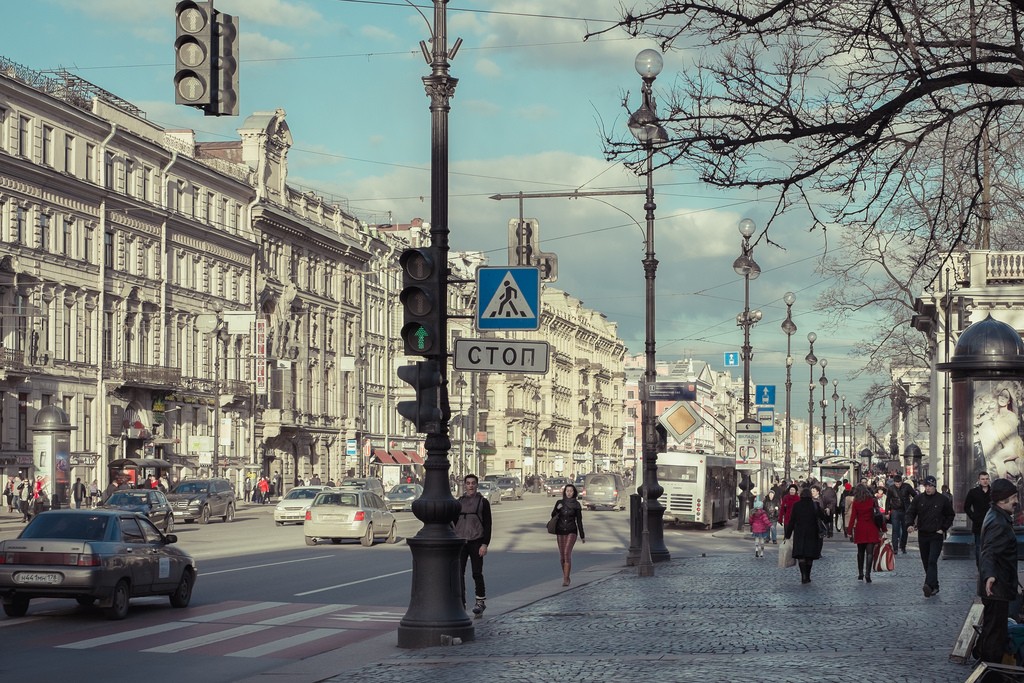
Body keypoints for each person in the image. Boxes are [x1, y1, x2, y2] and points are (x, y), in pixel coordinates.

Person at [976, 478, 1019, 664]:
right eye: (1013, 498)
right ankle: (990, 674)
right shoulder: (998, 522)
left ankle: (987, 667)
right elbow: (989, 552)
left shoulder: (996, 514)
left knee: (992, 632)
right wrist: (990, 576)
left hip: (997, 587)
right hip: (996, 588)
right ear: (1002, 500)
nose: (1016, 501)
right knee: (995, 636)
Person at [906, 475, 955, 597]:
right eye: (926, 486)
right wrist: (909, 524)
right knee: (925, 561)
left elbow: (950, 515)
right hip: (923, 534)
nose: (928, 489)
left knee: (932, 560)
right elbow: (911, 512)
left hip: (936, 535)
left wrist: (943, 528)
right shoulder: (918, 499)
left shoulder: (942, 500)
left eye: (930, 486)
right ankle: (935, 586)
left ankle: (928, 585)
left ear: (934, 487)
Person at [455, 474, 492, 617]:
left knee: (476, 573)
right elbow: (453, 521)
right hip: (462, 542)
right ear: (465, 485)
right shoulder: (459, 502)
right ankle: (461, 603)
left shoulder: (483, 502)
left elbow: (488, 524)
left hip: (477, 541)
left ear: (477, 485)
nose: (470, 485)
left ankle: (480, 602)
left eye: (473, 483)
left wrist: (485, 544)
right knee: (459, 573)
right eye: (468, 483)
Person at [977, 385, 1024, 480]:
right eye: (1001, 395)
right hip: (1006, 448)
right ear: (998, 397)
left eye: (1006, 397)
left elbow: (1010, 433)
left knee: (996, 458)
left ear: (1009, 401)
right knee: (996, 459)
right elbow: (976, 421)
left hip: (1015, 448)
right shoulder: (995, 415)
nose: (1002, 398)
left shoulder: (1011, 416)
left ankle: (1003, 484)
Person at [785, 486, 829, 583]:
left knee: (801, 556)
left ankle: (803, 575)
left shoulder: (796, 505)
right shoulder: (815, 505)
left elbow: (792, 521)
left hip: (799, 533)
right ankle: (808, 575)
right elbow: (824, 518)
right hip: (812, 533)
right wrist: (826, 513)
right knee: (809, 556)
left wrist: (787, 535)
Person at [846, 484, 886, 583]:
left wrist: (849, 531)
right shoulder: (872, 501)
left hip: (860, 528)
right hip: (871, 528)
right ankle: (868, 573)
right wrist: (883, 528)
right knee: (869, 553)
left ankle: (860, 573)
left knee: (860, 552)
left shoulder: (856, 502)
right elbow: (878, 515)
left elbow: (852, 518)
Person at [550, 483, 585, 585]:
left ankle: (565, 579)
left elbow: (579, 520)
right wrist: (557, 509)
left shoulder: (576, 505)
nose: (569, 493)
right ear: (565, 492)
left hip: (571, 531)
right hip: (560, 531)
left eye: (571, 491)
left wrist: (582, 535)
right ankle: (566, 575)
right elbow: (552, 515)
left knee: (566, 553)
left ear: (574, 493)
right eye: (567, 491)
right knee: (562, 557)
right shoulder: (559, 502)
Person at [963, 471, 992, 567]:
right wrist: (974, 517)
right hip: (978, 523)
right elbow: (966, 507)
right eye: (983, 479)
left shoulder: (993, 492)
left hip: (991, 524)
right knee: (979, 547)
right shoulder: (973, 492)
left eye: (987, 479)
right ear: (979, 480)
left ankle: (989, 567)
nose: (985, 481)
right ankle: (980, 568)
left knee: (991, 547)